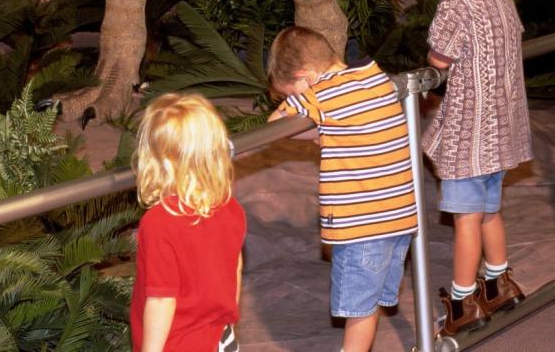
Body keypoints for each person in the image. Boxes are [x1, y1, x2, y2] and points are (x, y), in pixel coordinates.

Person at [267, 26, 418, 352]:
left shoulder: (321, 94)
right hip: (398, 218)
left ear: (304, 76)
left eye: (288, 91)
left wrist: (300, 111)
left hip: (362, 227)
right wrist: (326, 130)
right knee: (371, 301)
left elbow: (274, 127)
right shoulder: (374, 76)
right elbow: (354, 125)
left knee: (358, 310)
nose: (289, 99)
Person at [423, 0, 533, 336]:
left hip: (470, 131)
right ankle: (499, 282)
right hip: (502, 129)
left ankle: (463, 301)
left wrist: (435, 60)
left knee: (466, 218)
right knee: (490, 210)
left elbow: (440, 54)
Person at [130, 93, 246, 352]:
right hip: (220, 338)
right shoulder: (231, 207)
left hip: (176, 343)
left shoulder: (159, 222)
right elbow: (235, 268)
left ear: (157, 161)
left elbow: (162, 300)